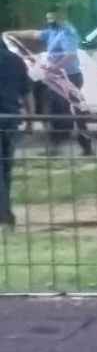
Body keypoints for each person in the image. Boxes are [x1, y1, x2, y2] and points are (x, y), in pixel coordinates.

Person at [9, 5, 92, 156]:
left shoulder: (67, 32)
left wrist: (54, 68)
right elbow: (34, 34)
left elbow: (71, 55)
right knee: (57, 111)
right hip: (57, 78)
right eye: (48, 19)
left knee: (71, 111)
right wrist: (13, 33)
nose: (49, 21)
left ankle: (82, 145)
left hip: (69, 77)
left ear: (60, 16)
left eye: (52, 18)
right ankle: (59, 145)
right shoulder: (53, 32)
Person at [0, 44, 31, 227]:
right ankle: (5, 211)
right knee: (6, 169)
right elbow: (27, 91)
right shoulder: (15, 60)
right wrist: (30, 118)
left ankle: (4, 215)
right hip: (11, 120)